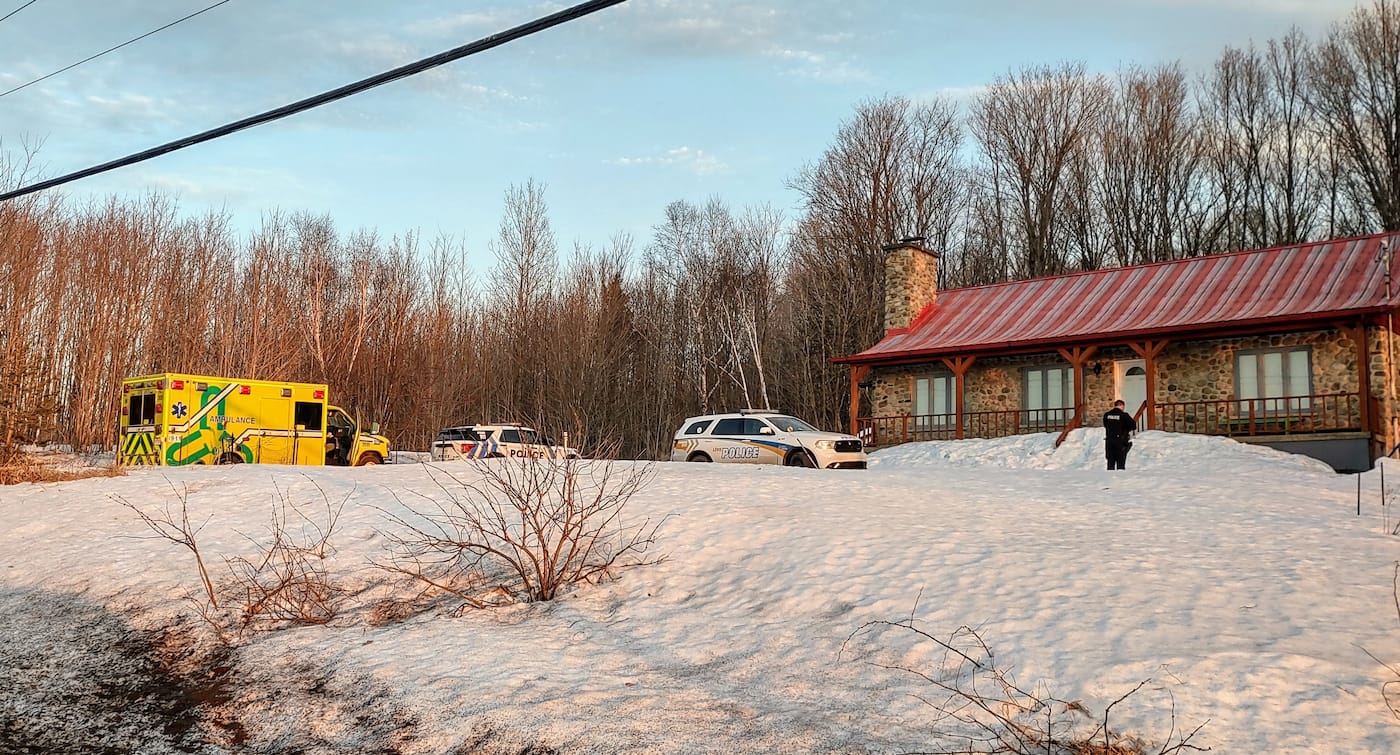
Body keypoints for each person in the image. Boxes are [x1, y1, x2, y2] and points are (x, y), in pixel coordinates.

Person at [1103, 399, 1137, 470]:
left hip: (1109, 441)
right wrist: (1126, 429)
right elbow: (1133, 426)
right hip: (1121, 441)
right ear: (1122, 406)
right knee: (1120, 462)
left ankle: (1110, 478)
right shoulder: (1124, 415)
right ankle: (1120, 479)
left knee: (1110, 462)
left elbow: (1106, 425)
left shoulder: (1107, 415)